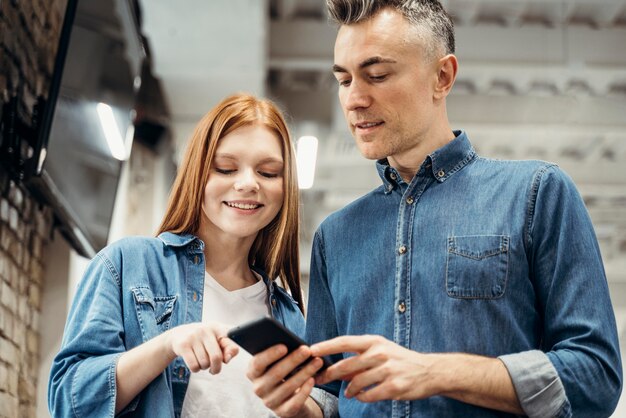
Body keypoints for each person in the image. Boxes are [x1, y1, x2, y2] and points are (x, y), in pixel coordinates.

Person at [247, 1, 623, 417]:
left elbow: (596, 376)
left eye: (377, 75)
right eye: (343, 79)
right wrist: (299, 406)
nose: (353, 99)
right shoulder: (334, 236)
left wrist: (436, 372)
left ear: (442, 77)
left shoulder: (536, 194)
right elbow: (333, 394)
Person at [48, 93, 320, 417]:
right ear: (198, 173)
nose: (248, 183)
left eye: (268, 172)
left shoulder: (291, 318)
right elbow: (68, 401)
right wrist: (167, 344)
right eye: (225, 168)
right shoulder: (127, 266)